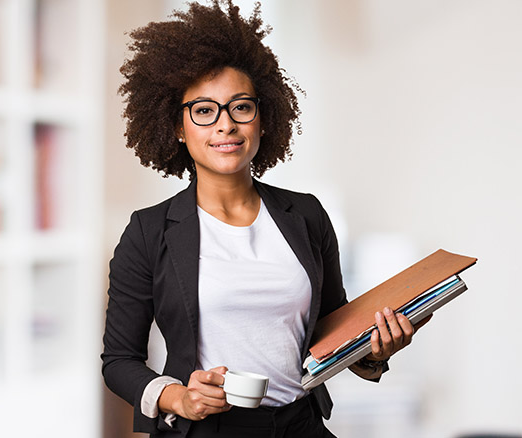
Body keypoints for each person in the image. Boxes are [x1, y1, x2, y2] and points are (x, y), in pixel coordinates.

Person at [101, 1, 425, 437]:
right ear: (178, 126)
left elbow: (329, 332)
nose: (225, 126)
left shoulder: (305, 214)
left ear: (262, 116)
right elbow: (119, 360)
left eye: (241, 107)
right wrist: (178, 397)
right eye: (203, 110)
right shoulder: (149, 230)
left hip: (301, 425)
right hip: (208, 430)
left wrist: (374, 352)